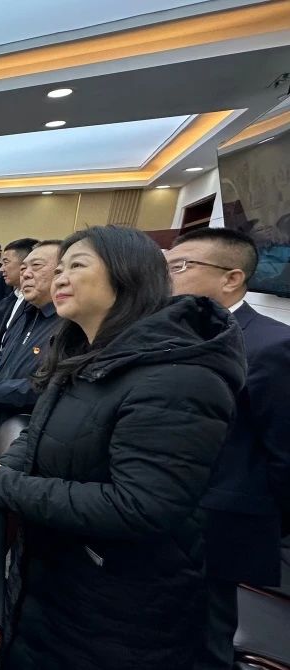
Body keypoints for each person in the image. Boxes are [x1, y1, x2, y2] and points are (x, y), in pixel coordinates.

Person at [0, 226, 245, 670]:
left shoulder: (180, 375)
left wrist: (6, 486)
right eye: (59, 268)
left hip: (119, 605)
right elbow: (36, 433)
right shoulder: (82, 350)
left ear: (128, 275)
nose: (60, 278)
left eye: (76, 266)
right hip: (52, 577)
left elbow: (140, 506)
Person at [168, 227, 290, 670]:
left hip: (220, 523)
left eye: (181, 266)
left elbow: (284, 453)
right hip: (164, 511)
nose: (169, 277)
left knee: (206, 640)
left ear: (231, 277)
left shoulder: (272, 345)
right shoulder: (173, 333)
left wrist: (266, 525)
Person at [0, 240, 61, 432]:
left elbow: (51, 387)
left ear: (63, 273)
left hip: (22, 430)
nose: (26, 274)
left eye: (36, 266)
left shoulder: (69, 326)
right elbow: (4, 356)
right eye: (24, 268)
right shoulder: (26, 312)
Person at [0, 237, 38, 365]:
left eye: (6, 262)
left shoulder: (38, 306)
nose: (1, 269)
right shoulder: (9, 301)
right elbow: (5, 339)